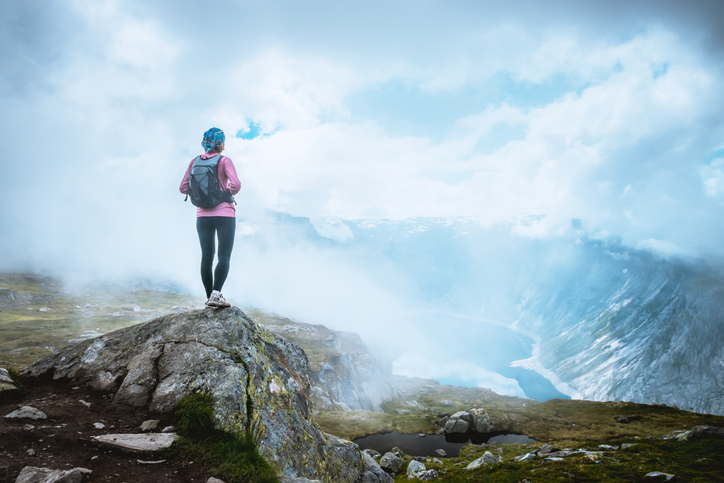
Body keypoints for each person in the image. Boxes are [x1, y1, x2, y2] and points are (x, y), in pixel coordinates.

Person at [179, 127, 241, 308]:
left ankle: (209, 298)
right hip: (225, 215)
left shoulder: (194, 161)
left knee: (207, 256)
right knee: (224, 256)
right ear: (221, 143)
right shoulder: (224, 160)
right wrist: (226, 192)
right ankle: (216, 295)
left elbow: (183, 188)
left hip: (202, 216)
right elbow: (236, 184)